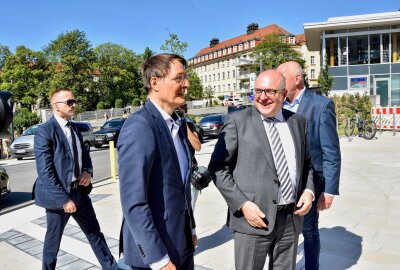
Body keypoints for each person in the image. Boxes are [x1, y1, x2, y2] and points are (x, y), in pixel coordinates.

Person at [208, 69, 314, 270]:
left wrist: (309, 191)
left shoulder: (298, 122)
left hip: (291, 220)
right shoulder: (237, 121)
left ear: (283, 94)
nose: (262, 98)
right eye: (258, 91)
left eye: (270, 92)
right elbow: (218, 167)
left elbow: (307, 163)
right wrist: (242, 204)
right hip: (253, 220)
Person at [118, 54, 197, 270]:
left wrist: (190, 228)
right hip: (157, 255)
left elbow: (180, 186)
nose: (186, 84)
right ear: (155, 82)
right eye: (179, 78)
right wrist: (158, 259)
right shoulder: (140, 127)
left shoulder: (178, 124)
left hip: (182, 244)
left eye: (186, 77)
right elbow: (134, 202)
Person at [34, 88, 118, 270]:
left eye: (74, 101)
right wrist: (64, 199)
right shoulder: (44, 132)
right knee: (53, 242)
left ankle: (111, 267)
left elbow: (84, 155)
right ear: (56, 106)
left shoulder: (74, 128)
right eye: (69, 102)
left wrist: (88, 170)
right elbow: (45, 172)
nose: (74, 105)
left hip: (79, 192)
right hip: (58, 197)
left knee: (94, 233)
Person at [277, 61, 341, 270]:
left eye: (282, 78)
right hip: (281, 179)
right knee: (283, 230)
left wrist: (329, 191)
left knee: (309, 230)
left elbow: (331, 151)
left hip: (310, 180)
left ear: (297, 79)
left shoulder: (321, 105)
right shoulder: (278, 104)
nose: (278, 82)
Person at [175, 103, 202, 210]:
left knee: (189, 212)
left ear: (185, 112)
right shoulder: (168, 125)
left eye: (180, 111)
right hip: (174, 174)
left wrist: (184, 125)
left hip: (189, 174)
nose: (177, 113)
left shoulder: (189, 125)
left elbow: (198, 146)